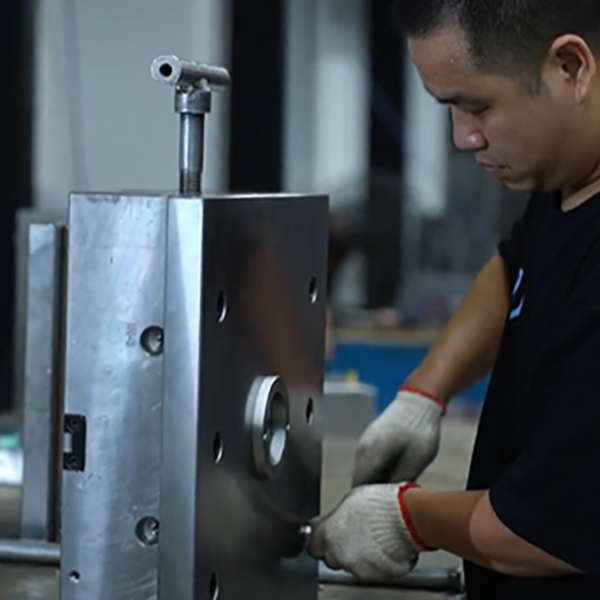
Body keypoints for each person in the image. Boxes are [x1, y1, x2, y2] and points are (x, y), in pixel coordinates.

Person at [306, 1, 600, 598]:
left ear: (571, 68)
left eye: (476, 106)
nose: (464, 137)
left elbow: (546, 531)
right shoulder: (566, 178)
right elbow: (513, 266)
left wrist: (406, 518)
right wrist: (424, 393)